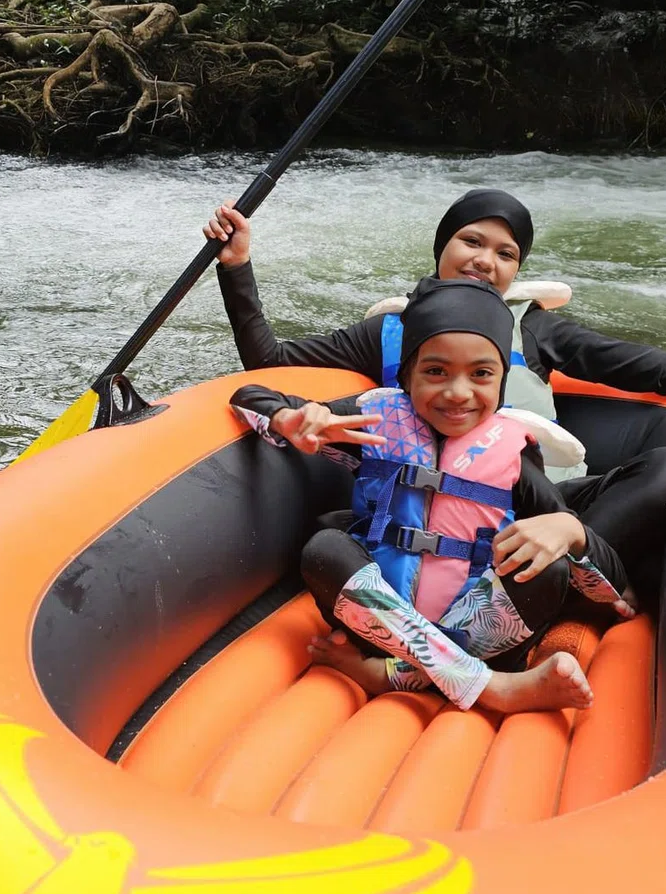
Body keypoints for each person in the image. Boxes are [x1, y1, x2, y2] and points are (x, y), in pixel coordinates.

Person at [205, 184, 666, 610]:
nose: (485, 261)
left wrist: (570, 528)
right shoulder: (390, 331)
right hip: (443, 514)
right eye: (471, 241)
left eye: (506, 253)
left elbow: (648, 367)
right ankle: (575, 594)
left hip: (551, 500)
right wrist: (237, 267)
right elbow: (269, 363)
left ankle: (582, 575)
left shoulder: (536, 327)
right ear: (443, 246)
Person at [231, 277, 634, 715]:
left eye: (481, 374)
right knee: (324, 550)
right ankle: (489, 688)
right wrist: (290, 418)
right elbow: (248, 395)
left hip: (479, 634)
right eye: (435, 371)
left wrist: (571, 530)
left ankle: (394, 677)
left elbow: (608, 587)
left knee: (547, 567)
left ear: (501, 381)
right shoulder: (373, 422)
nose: (458, 393)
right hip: (379, 625)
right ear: (407, 375)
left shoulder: (514, 452)